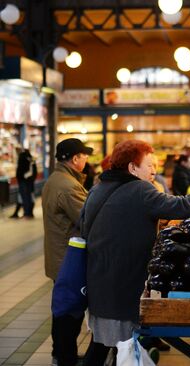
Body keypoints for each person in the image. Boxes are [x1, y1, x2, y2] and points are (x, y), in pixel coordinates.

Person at [81, 140, 190, 365]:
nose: (155, 170)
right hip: (122, 282)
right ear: (132, 168)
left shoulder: (98, 188)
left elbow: (88, 224)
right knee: (117, 345)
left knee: (104, 344)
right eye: (149, 165)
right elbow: (180, 206)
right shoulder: (140, 189)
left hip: (99, 278)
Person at [42, 138, 93, 366]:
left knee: (63, 309)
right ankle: (65, 358)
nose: (87, 160)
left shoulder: (56, 179)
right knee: (69, 314)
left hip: (59, 256)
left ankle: (60, 355)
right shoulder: (68, 185)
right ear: (75, 159)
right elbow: (88, 219)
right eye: (84, 156)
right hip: (67, 260)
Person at [11, 148, 37, 218]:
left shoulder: (22, 157)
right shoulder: (31, 159)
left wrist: (21, 177)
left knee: (25, 197)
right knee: (28, 196)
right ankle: (27, 213)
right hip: (29, 181)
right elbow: (34, 171)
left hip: (23, 180)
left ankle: (27, 213)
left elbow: (20, 170)